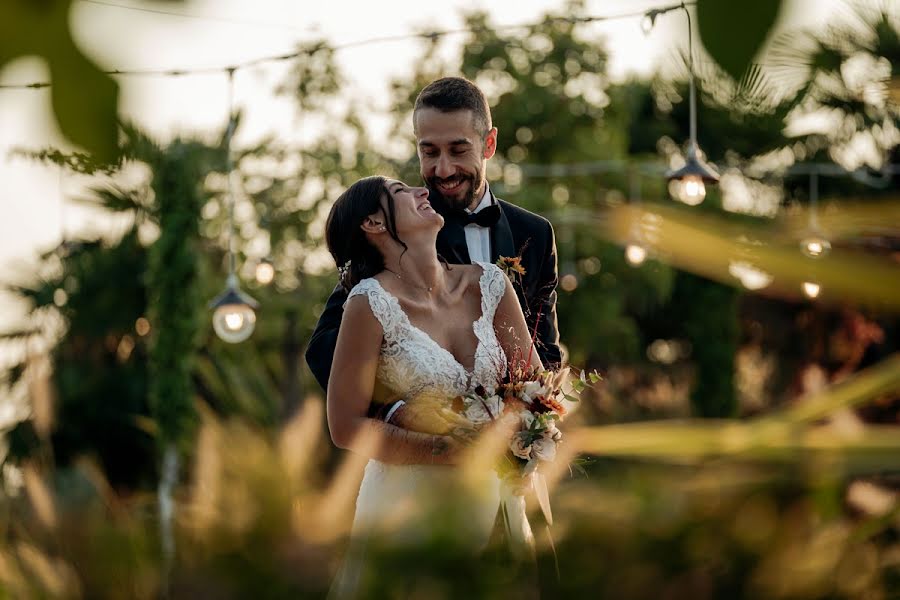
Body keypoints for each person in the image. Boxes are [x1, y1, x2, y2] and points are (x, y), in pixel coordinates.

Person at [323, 175, 542, 596]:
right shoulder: (368, 304)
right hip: (406, 511)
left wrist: (527, 439)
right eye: (401, 192)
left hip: (494, 505)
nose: (422, 191)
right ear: (373, 223)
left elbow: (534, 391)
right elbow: (345, 425)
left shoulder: (492, 285)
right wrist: (447, 452)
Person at [306, 77, 562, 418]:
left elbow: (545, 347)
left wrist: (534, 423)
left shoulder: (535, 232)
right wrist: (399, 412)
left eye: (458, 150)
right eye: (429, 152)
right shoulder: (405, 231)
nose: (443, 169)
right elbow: (324, 348)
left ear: (489, 144)